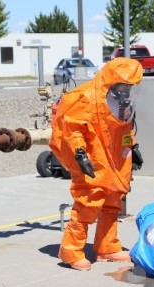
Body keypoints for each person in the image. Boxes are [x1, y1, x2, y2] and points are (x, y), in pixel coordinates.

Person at [49, 57, 144, 271]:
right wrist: (80, 154)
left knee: (112, 202)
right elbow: (73, 130)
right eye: (124, 85)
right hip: (91, 159)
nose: (127, 90)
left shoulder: (119, 100)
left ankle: (107, 247)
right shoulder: (85, 98)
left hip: (112, 158)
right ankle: (71, 250)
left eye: (130, 86)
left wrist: (133, 148)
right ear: (112, 81)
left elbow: (124, 129)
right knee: (88, 203)